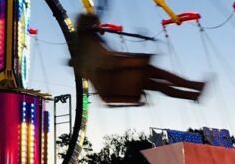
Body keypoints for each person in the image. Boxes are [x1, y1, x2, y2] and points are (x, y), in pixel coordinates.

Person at [71, 13, 206, 105]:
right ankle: (193, 86)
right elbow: (105, 62)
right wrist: (130, 60)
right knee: (155, 73)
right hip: (119, 79)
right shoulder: (88, 44)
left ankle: (193, 93)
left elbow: (103, 61)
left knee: (159, 86)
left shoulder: (85, 44)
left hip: (122, 79)